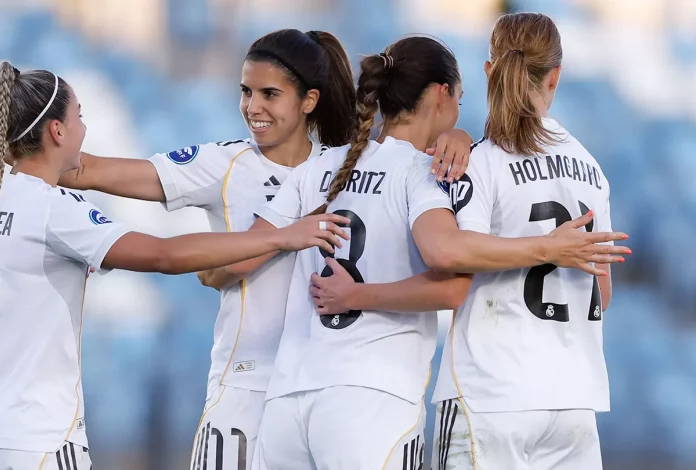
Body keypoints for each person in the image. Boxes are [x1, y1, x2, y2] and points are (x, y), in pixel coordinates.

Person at [0, 30, 476, 470]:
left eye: (268, 94)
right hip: (245, 389)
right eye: (246, 92)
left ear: (309, 100)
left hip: (313, 384)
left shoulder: (339, 166)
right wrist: (12, 143)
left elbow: (413, 156)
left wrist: (460, 139)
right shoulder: (224, 163)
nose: (252, 107)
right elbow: (91, 171)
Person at [240, 35, 630, 469]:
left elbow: (232, 260)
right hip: (551, 395)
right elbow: (454, 272)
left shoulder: (326, 165)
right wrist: (549, 248)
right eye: (458, 99)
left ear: (491, 71)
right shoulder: (580, 167)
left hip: (294, 392)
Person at [426, 13, 620, 470]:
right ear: (555, 77)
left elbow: (458, 251)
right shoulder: (591, 170)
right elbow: (602, 293)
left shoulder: (479, 162)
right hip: (574, 402)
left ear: (489, 71)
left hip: (493, 395)